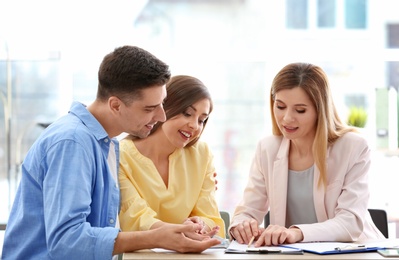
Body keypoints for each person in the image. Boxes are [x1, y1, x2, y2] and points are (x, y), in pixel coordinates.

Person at [2, 46, 220, 260]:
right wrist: (155, 238)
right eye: (149, 108)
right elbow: (67, 242)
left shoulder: (105, 144)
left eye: (162, 104)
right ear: (115, 105)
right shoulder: (73, 143)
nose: (162, 116)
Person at [229, 62, 385, 247]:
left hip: (355, 252)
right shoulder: (267, 149)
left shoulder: (354, 147)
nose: (287, 118)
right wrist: (241, 225)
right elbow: (247, 210)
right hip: (294, 255)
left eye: (300, 110)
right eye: (280, 106)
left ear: (320, 110)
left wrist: (297, 233)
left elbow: (350, 222)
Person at [118, 75, 225, 239]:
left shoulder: (202, 154)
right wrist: (180, 232)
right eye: (187, 113)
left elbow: (210, 216)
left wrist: (200, 225)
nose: (195, 126)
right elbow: (136, 218)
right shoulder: (121, 156)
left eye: (202, 120)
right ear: (163, 108)